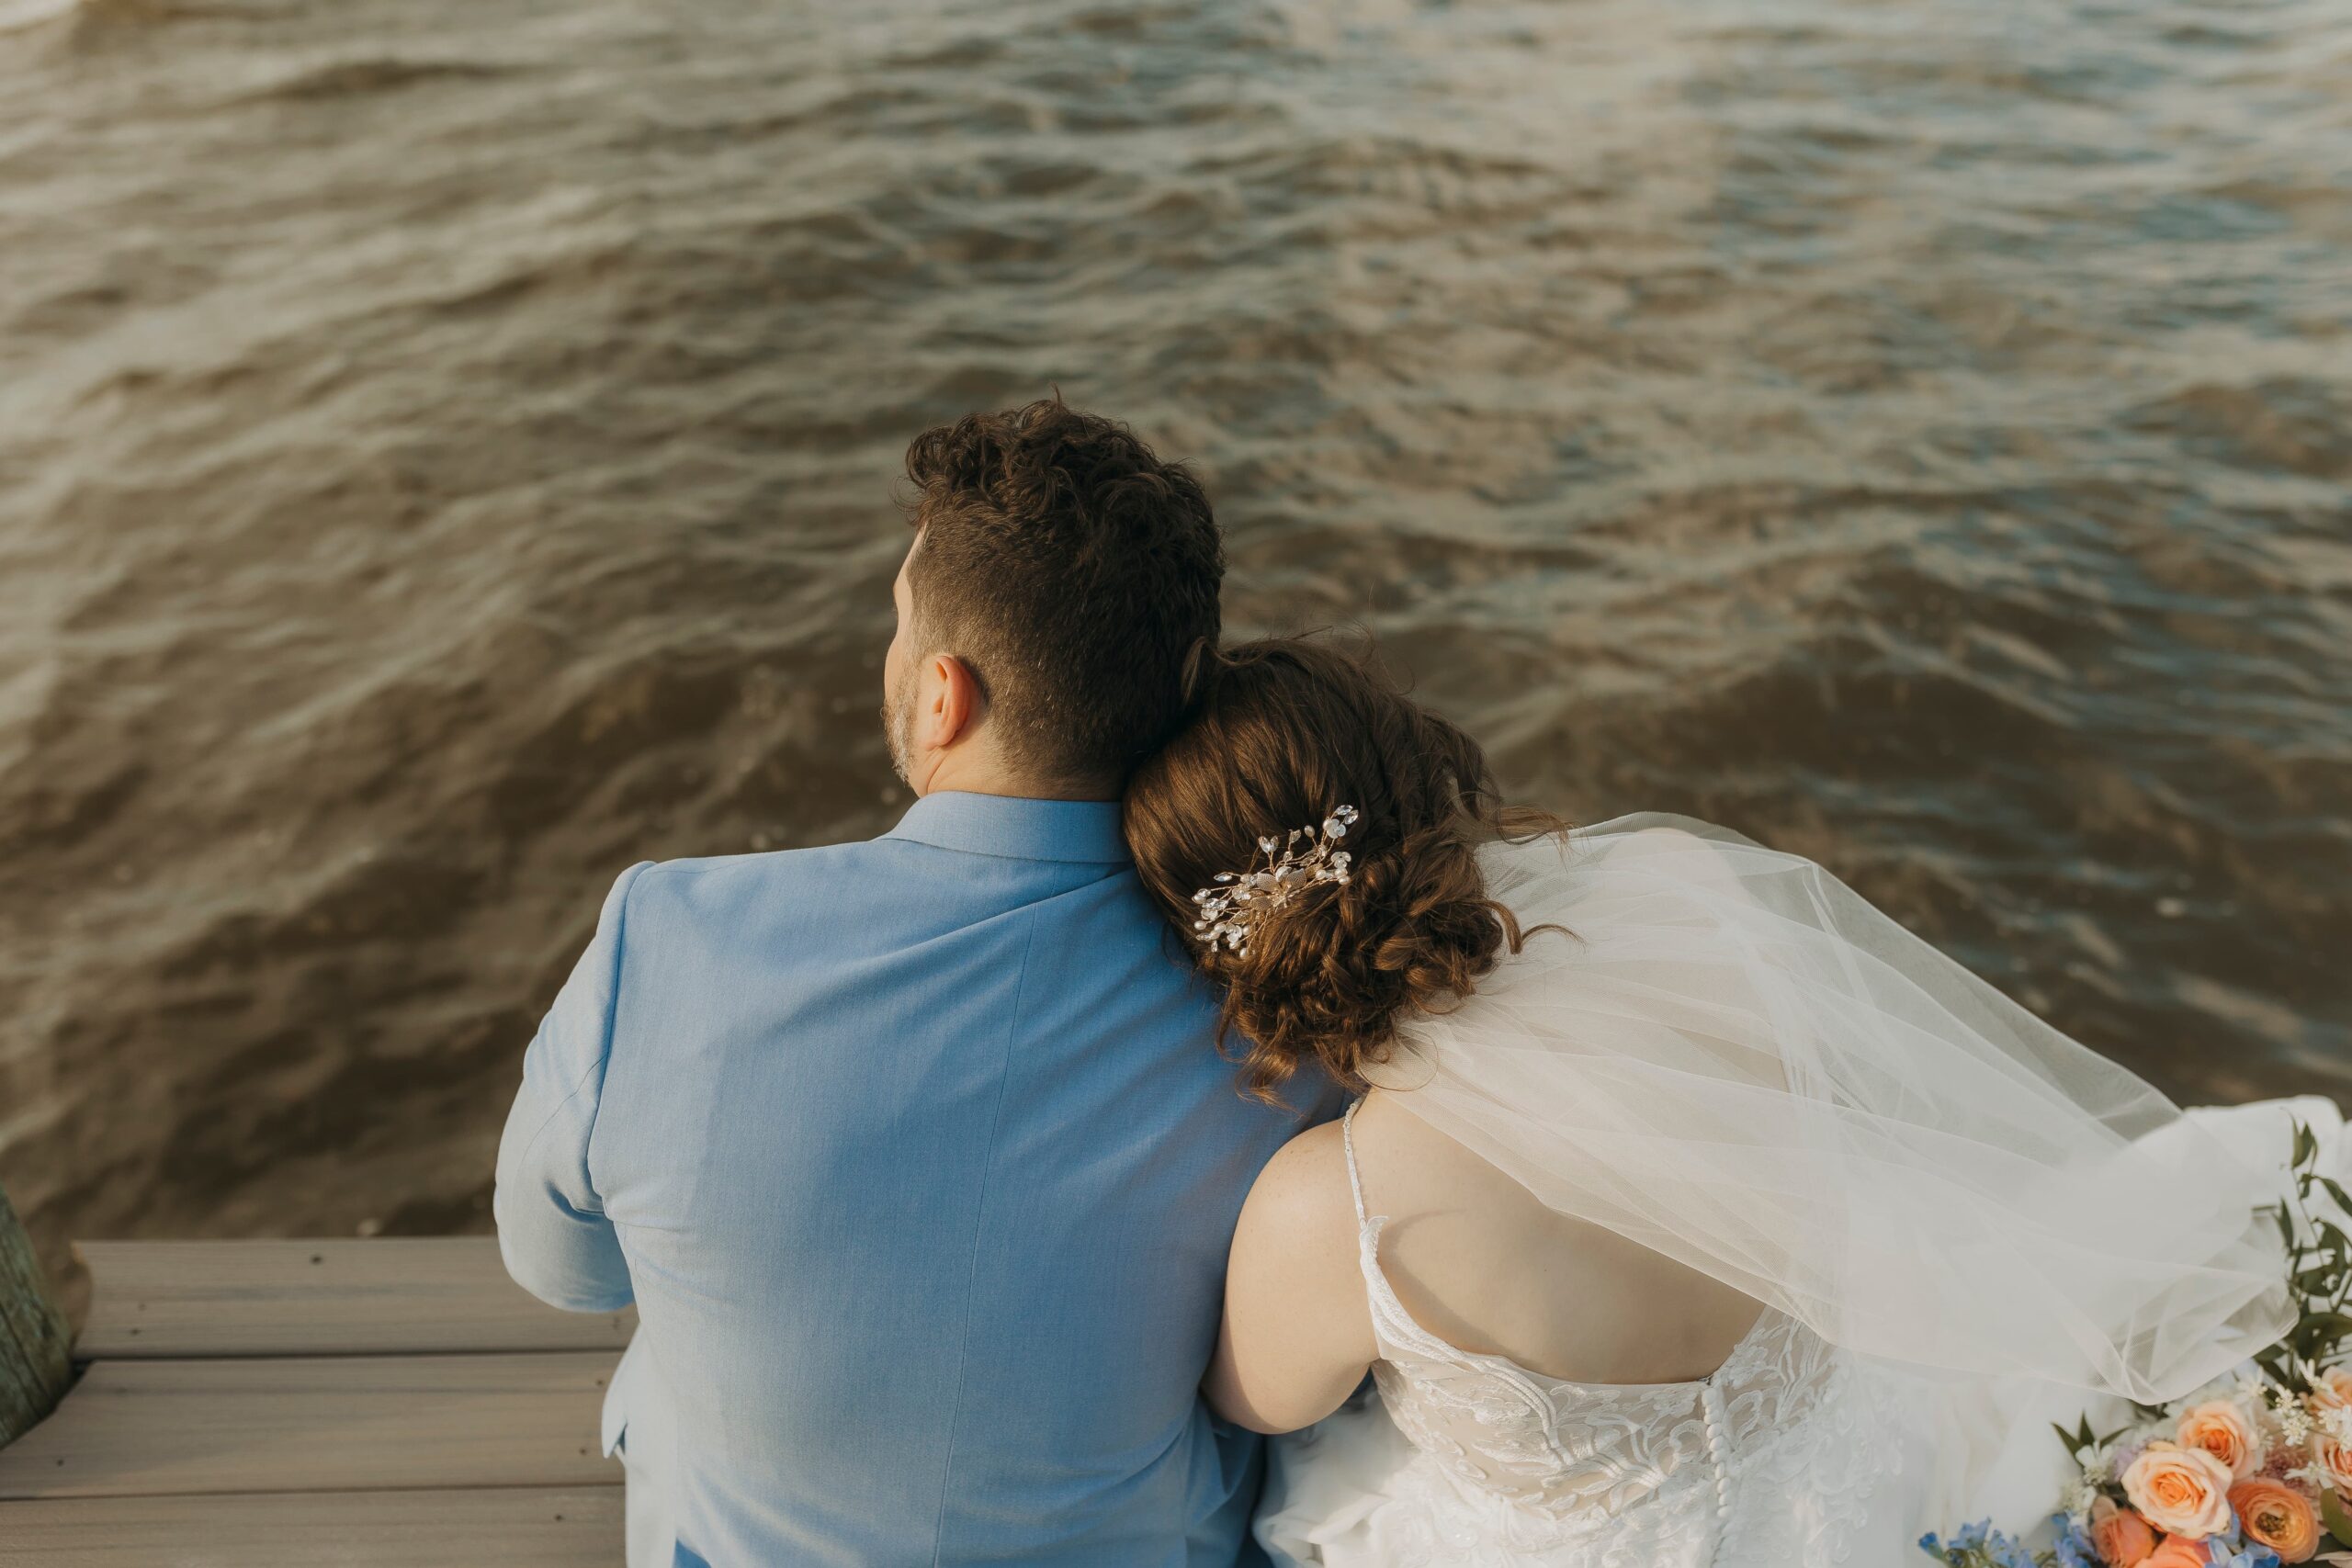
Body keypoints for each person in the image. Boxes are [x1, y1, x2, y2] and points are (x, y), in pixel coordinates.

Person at [1121, 636, 2319, 1567]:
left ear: (1222, 952)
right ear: (1421, 770)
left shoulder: (1338, 1208)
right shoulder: (1684, 900)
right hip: (1860, 1487)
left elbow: (1252, 1400)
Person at [494, 399, 1326, 1568]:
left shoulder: (667, 939)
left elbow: (564, 1271)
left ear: (944, 694)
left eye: (896, 626)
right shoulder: (1282, 1010)